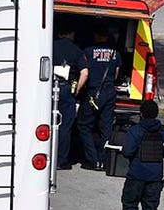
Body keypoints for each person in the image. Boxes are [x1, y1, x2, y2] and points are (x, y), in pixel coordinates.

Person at [77, 26, 121, 171]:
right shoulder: (115, 53)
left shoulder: (88, 51)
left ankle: (93, 160)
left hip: (93, 91)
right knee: (106, 127)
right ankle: (103, 160)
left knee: (84, 126)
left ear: (95, 35)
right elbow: (115, 74)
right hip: (109, 91)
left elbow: (85, 72)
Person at [51, 23, 89, 170]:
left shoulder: (49, 46)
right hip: (67, 90)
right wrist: (77, 90)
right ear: (72, 34)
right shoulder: (77, 51)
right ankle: (61, 160)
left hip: (48, 89)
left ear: (59, 34)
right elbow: (84, 73)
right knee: (64, 127)